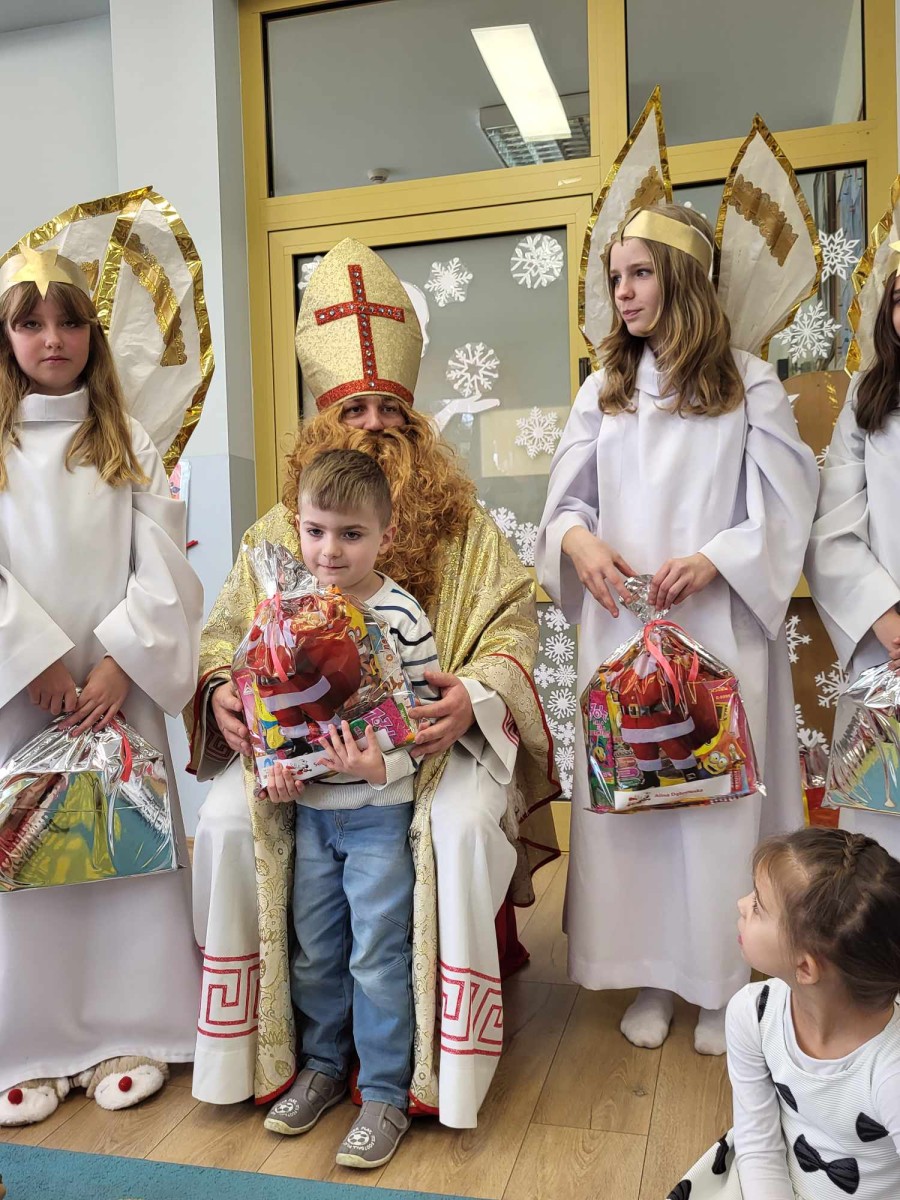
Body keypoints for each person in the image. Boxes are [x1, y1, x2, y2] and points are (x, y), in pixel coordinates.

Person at [185, 237, 559, 1128]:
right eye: (354, 408)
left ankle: (424, 1073)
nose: (376, 424)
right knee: (225, 823)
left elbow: (514, 622)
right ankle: (274, 1054)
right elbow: (227, 631)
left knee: (456, 829)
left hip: (430, 744)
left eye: (392, 407)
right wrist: (222, 689)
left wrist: (474, 695)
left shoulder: (463, 523)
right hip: (303, 764)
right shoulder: (284, 530)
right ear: (323, 423)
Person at [536, 202, 819, 1056]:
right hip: (625, 630)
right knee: (637, 810)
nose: (623, 292)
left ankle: (720, 980)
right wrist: (579, 542)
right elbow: (564, 505)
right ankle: (651, 973)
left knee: (711, 810)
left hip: (717, 631)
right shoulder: (604, 391)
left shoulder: (746, 384)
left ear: (684, 278)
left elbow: (785, 506)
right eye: (615, 276)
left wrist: (716, 558)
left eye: (640, 273)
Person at [0, 245, 203, 1125]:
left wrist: (122, 661)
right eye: (30, 323)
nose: (53, 339)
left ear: (94, 332)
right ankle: (29, 1040)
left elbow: (164, 567)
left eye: (69, 321)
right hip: (22, 695)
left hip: (116, 692)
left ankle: (133, 1026)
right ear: (5, 337)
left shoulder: (129, 441)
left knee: (126, 848)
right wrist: (29, 655)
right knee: (25, 856)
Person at [257, 449, 440, 1168]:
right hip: (312, 812)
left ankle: (385, 1091)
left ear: (385, 537)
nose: (329, 550)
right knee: (315, 950)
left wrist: (383, 764)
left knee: (376, 954)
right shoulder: (285, 613)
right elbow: (273, 708)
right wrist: (276, 771)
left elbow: (424, 721)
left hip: (376, 813)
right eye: (315, 531)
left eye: (351, 534)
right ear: (297, 528)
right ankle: (324, 1067)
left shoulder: (400, 615)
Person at [671, 826, 900, 1199]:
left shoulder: (890, 1072)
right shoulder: (753, 1013)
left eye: (758, 906)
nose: (741, 904)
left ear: (805, 968)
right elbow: (758, 1142)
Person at [805, 201, 900, 857]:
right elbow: (832, 525)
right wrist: (883, 615)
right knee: (882, 846)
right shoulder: (870, 404)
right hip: (887, 652)